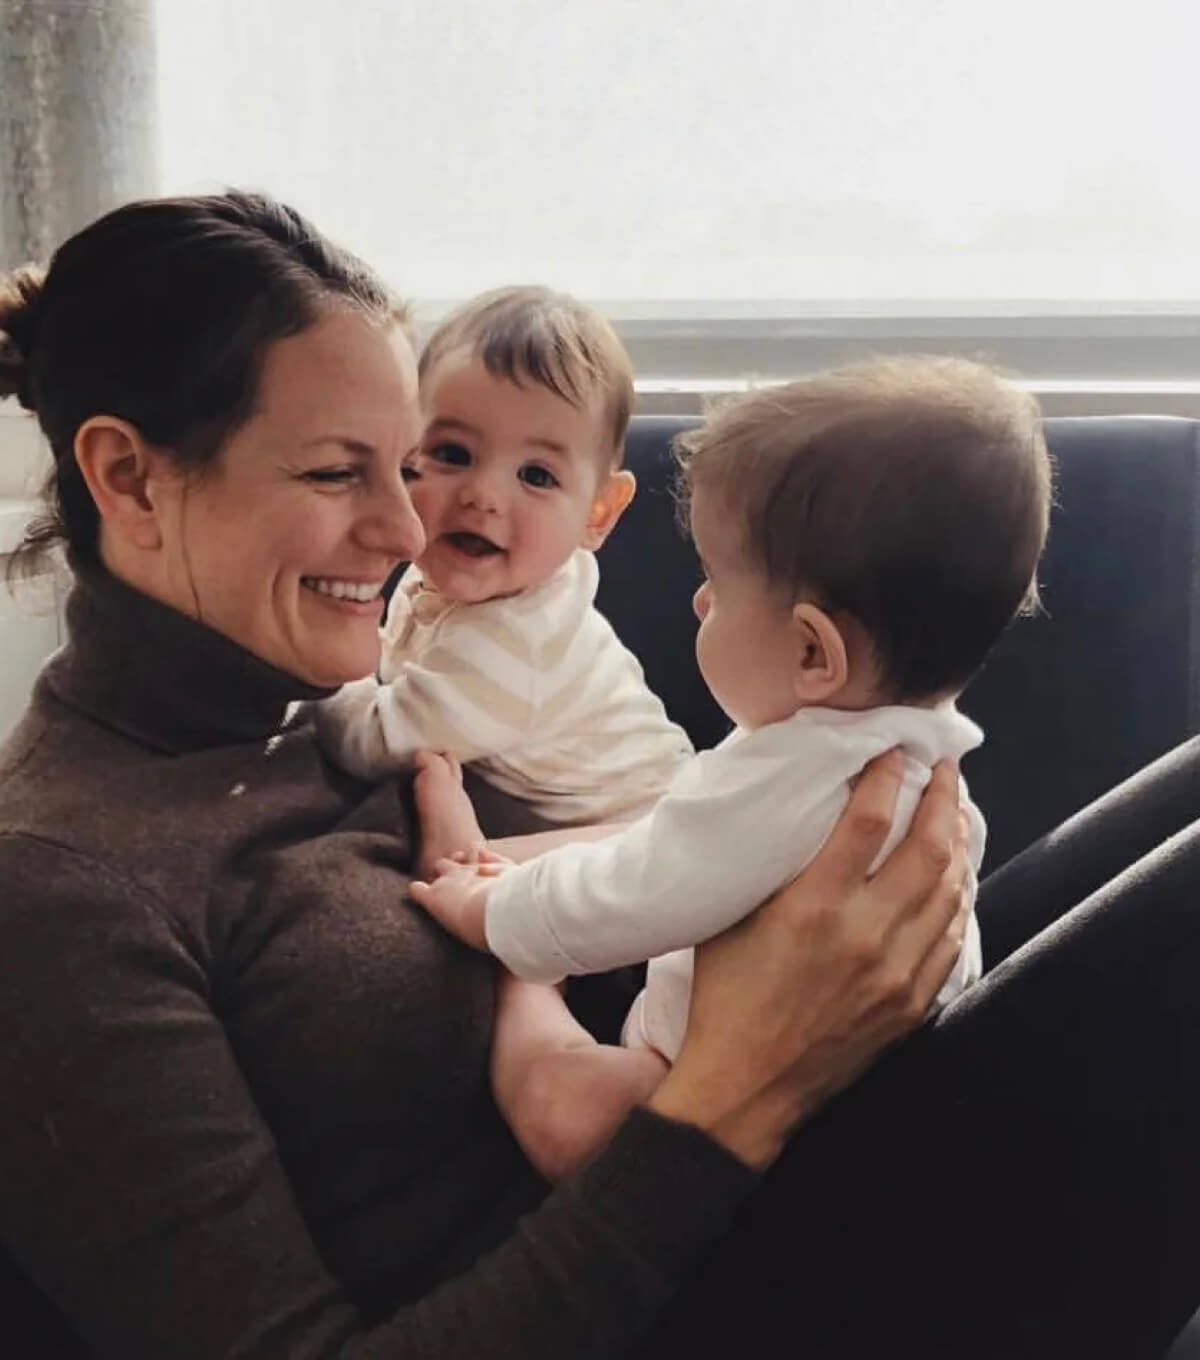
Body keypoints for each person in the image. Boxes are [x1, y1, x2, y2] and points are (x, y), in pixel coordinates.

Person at [0, 191, 1196, 1360]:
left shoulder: (310, 691)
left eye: (404, 464)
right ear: (128, 478)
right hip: (707, 1273)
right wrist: (736, 1088)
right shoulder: (58, 894)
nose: (414, 532)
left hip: (747, 1162)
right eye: (334, 475)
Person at [410, 357, 1048, 1177]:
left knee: (565, 1115)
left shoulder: (787, 777)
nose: (699, 603)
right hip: (861, 1113)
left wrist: (490, 917)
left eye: (715, 580)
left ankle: (520, 990)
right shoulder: (927, 760)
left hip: (717, 1108)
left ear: (813, 651)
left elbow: (629, 896)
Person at [313, 286, 693, 849]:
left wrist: (317, 664)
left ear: (599, 512)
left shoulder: (520, 640)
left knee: (469, 884)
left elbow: (374, 741)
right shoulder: (439, 576)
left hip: (647, 843)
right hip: (566, 822)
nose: (484, 496)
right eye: (452, 455)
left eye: (536, 476)